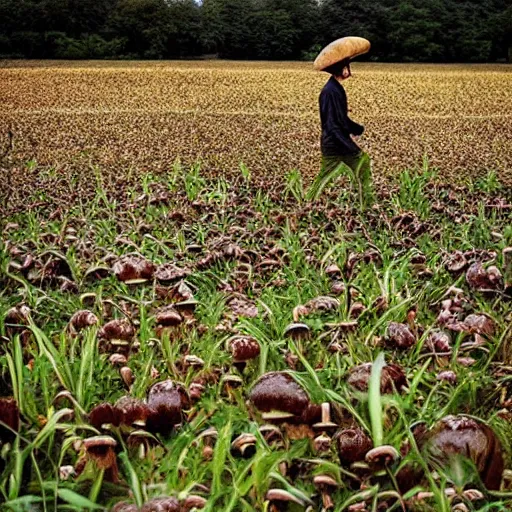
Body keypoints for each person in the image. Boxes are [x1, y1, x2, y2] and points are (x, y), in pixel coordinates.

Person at [308, 48, 374, 208]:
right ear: (342, 69)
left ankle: (309, 202)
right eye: (347, 66)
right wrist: (349, 146)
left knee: (328, 173)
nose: (349, 71)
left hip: (335, 141)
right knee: (360, 162)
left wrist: (356, 128)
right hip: (335, 142)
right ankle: (366, 203)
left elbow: (341, 119)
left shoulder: (334, 88)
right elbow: (332, 124)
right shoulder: (330, 91)